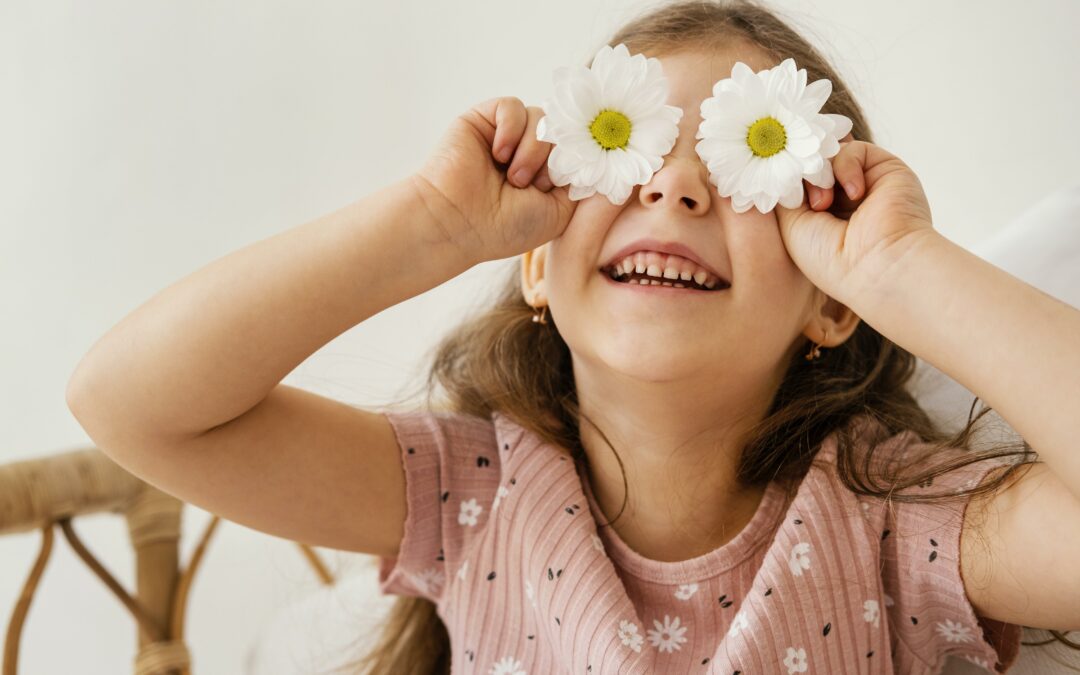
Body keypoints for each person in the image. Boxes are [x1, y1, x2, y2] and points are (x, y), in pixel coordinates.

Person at [65, 1, 1080, 673]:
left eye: (741, 177)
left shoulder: (897, 522)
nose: (674, 184)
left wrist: (903, 268)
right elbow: (128, 403)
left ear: (829, 302)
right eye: (624, 147)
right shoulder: (474, 498)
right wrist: (428, 221)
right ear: (539, 265)